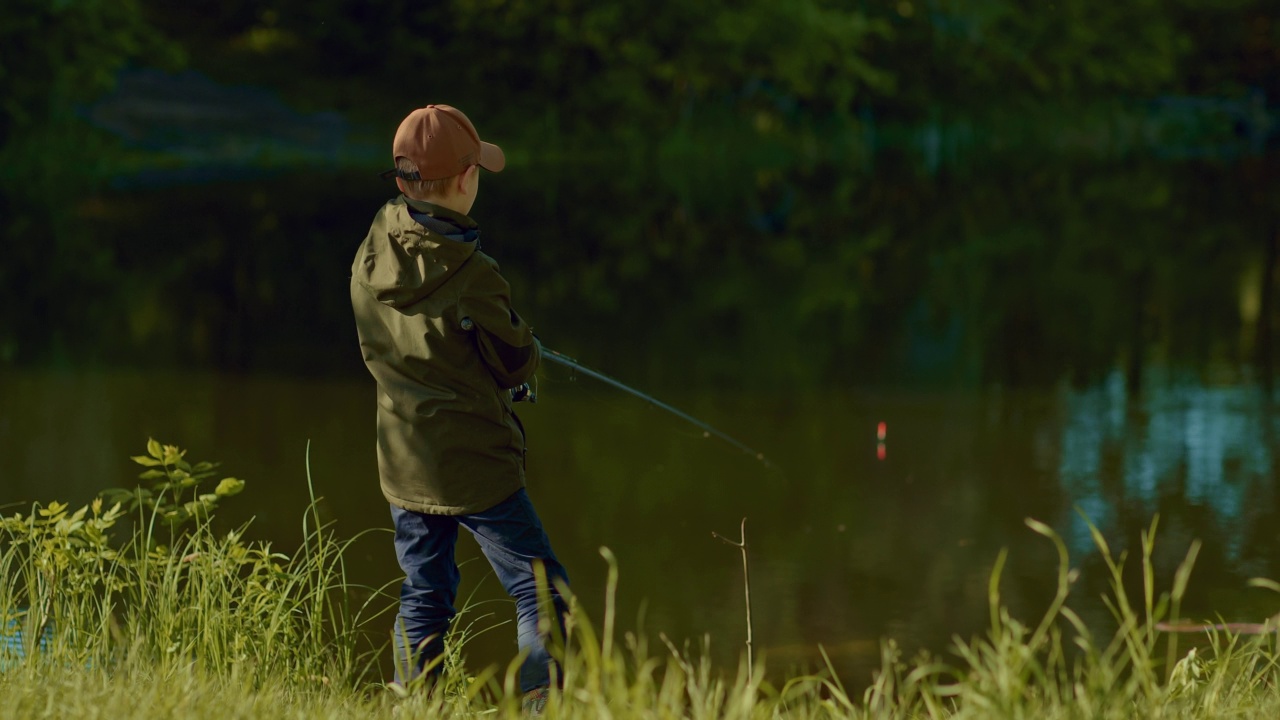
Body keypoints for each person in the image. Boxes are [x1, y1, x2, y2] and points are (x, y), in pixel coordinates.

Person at [349, 104, 569, 712]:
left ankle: (414, 706)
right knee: (543, 595)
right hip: (475, 465)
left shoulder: (372, 251)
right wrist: (527, 349)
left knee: (424, 593)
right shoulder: (475, 275)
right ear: (468, 179)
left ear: (401, 182)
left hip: (402, 460)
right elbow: (514, 363)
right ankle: (540, 709)